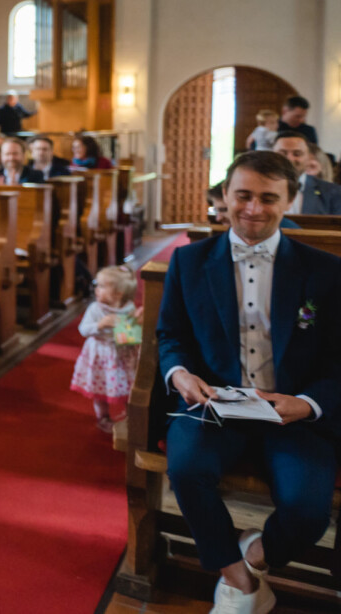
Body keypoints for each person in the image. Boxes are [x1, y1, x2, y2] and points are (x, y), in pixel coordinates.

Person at [157, 151, 340, 614]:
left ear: (290, 199)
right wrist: (180, 374)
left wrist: (307, 404)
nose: (253, 209)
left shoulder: (325, 271)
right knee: (186, 469)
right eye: (242, 195)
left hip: (293, 413)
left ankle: (255, 555)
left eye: (268, 198)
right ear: (224, 196)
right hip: (216, 405)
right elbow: (171, 335)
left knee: (307, 509)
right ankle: (238, 581)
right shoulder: (188, 262)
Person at [70, 265, 141, 433]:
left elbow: (130, 332)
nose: (96, 289)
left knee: (128, 385)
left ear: (118, 294)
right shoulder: (95, 309)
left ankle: (132, 416)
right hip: (100, 355)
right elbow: (83, 329)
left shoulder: (128, 307)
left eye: (102, 286)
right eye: (97, 285)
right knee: (100, 388)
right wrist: (100, 324)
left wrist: (134, 325)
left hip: (122, 353)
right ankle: (103, 416)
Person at [272, 133, 341, 215]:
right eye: (282, 153)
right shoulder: (258, 188)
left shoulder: (333, 192)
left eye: (297, 154)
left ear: (308, 157)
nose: (289, 159)